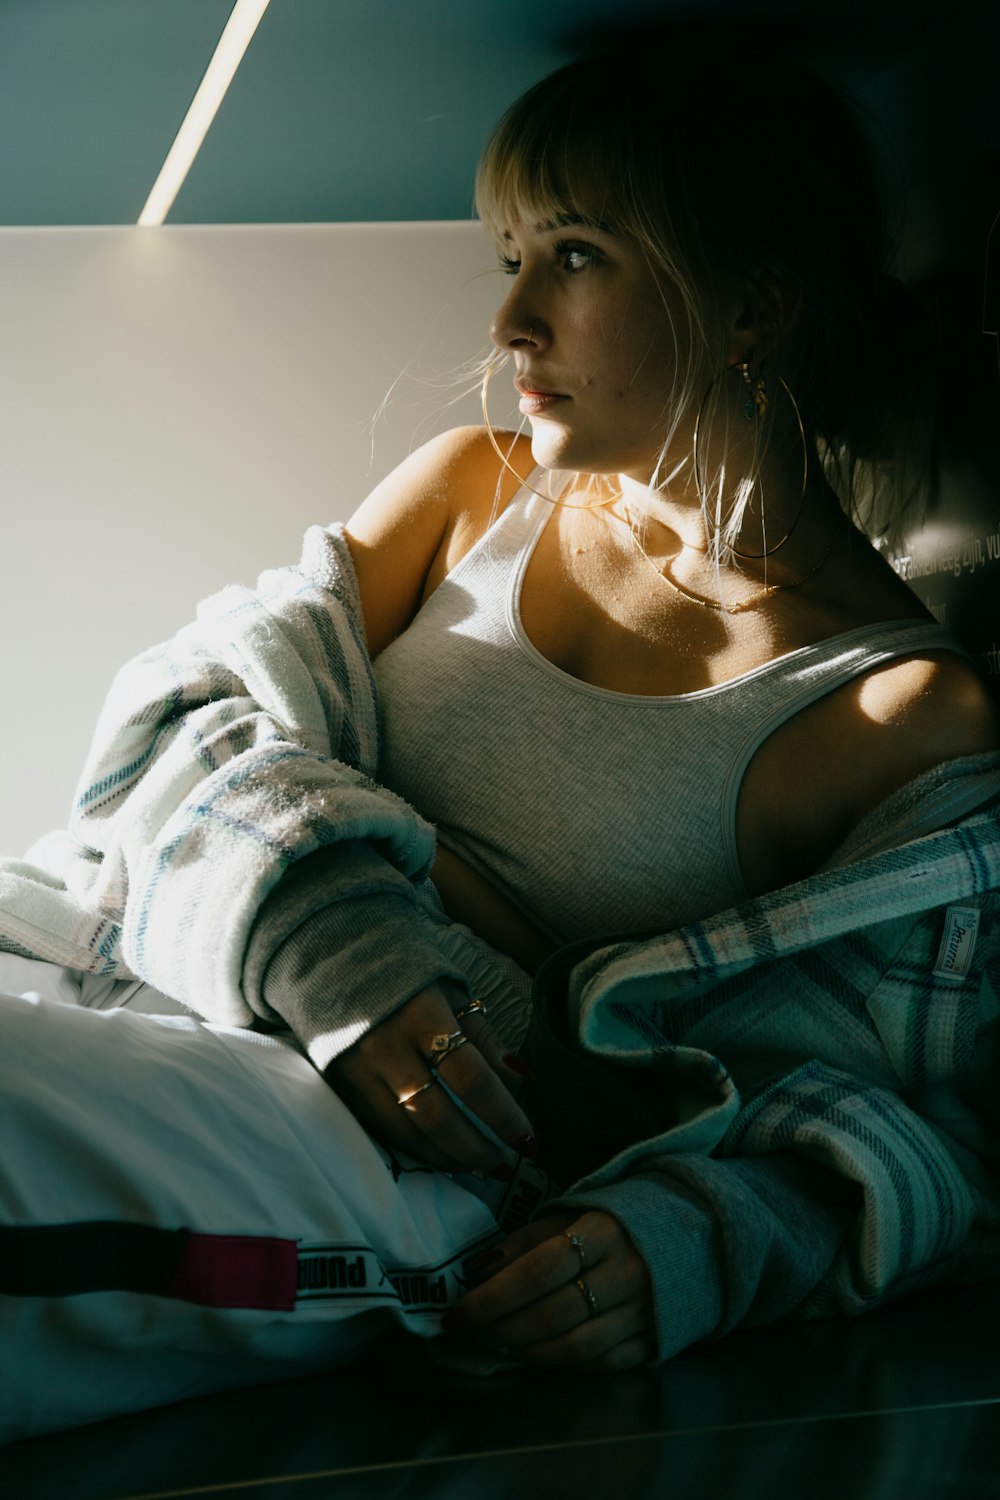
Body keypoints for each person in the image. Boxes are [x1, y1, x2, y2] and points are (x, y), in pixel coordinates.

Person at [2, 45, 999, 1439]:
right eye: (511, 257)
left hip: (343, 1148)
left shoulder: (891, 712)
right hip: (130, 949)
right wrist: (331, 936)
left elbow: (935, 1134)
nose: (513, 322)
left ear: (754, 306)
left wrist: (701, 1238)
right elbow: (197, 700)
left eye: (576, 256)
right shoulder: (476, 492)